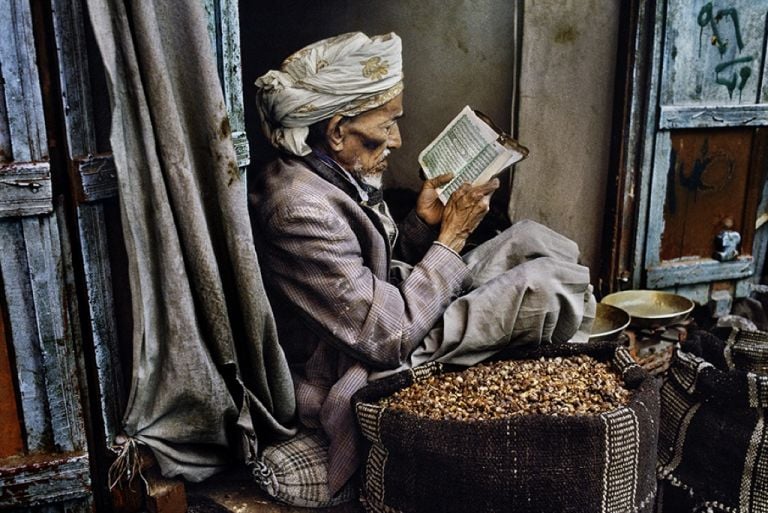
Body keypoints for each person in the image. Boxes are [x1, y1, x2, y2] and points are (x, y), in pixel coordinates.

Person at [249, 32, 594, 499]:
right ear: (335, 131)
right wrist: (451, 239)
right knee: (544, 284)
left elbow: (365, 275)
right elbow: (387, 335)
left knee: (532, 239)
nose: (397, 139)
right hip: (354, 363)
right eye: (387, 123)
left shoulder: (323, 171)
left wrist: (420, 224)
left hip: (386, 316)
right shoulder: (297, 208)